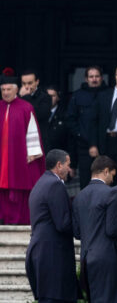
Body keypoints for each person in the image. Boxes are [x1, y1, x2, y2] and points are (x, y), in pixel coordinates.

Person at [72, 156, 117, 302]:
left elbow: (77, 233)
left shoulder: (79, 197)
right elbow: (113, 230)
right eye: (112, 175)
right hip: (107, 258)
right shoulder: (111, 193)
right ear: (105, 171)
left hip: (86, 259)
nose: (112, 180)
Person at [25, 149, 76, 302]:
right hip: (53, 256)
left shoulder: (41, 183)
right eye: (68, 164)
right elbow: (63, 223)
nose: (69, 169)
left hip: (42, 254)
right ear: (59, 165)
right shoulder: (55, 185)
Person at [0, 75, 44, 225]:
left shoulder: (26, 107)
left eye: (8, 89)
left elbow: (33, 132)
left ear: (16, 90)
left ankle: (17, 220)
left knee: (18, 190)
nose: (5, 93)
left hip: (18, 158)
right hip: (2, 157)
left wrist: (32, 154)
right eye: (3, 90)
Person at [67, 66, 111, 188]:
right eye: (91, 77)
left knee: (106, 181)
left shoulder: (109, 94)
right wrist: (81, 134)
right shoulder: (78, 95)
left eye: (97, 76)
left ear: (102, 78)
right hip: (83, 146)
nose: (94, 79)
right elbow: (71, 119)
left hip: (106, 145)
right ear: (86, 79)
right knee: (86, 181)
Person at [42, 86, 71, 154]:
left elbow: (69, 139)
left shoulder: (65, 115)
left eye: (53, 96)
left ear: (58, 97)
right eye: (47, 96)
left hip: (59, 154)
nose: (49, 98)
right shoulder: (38, 113)